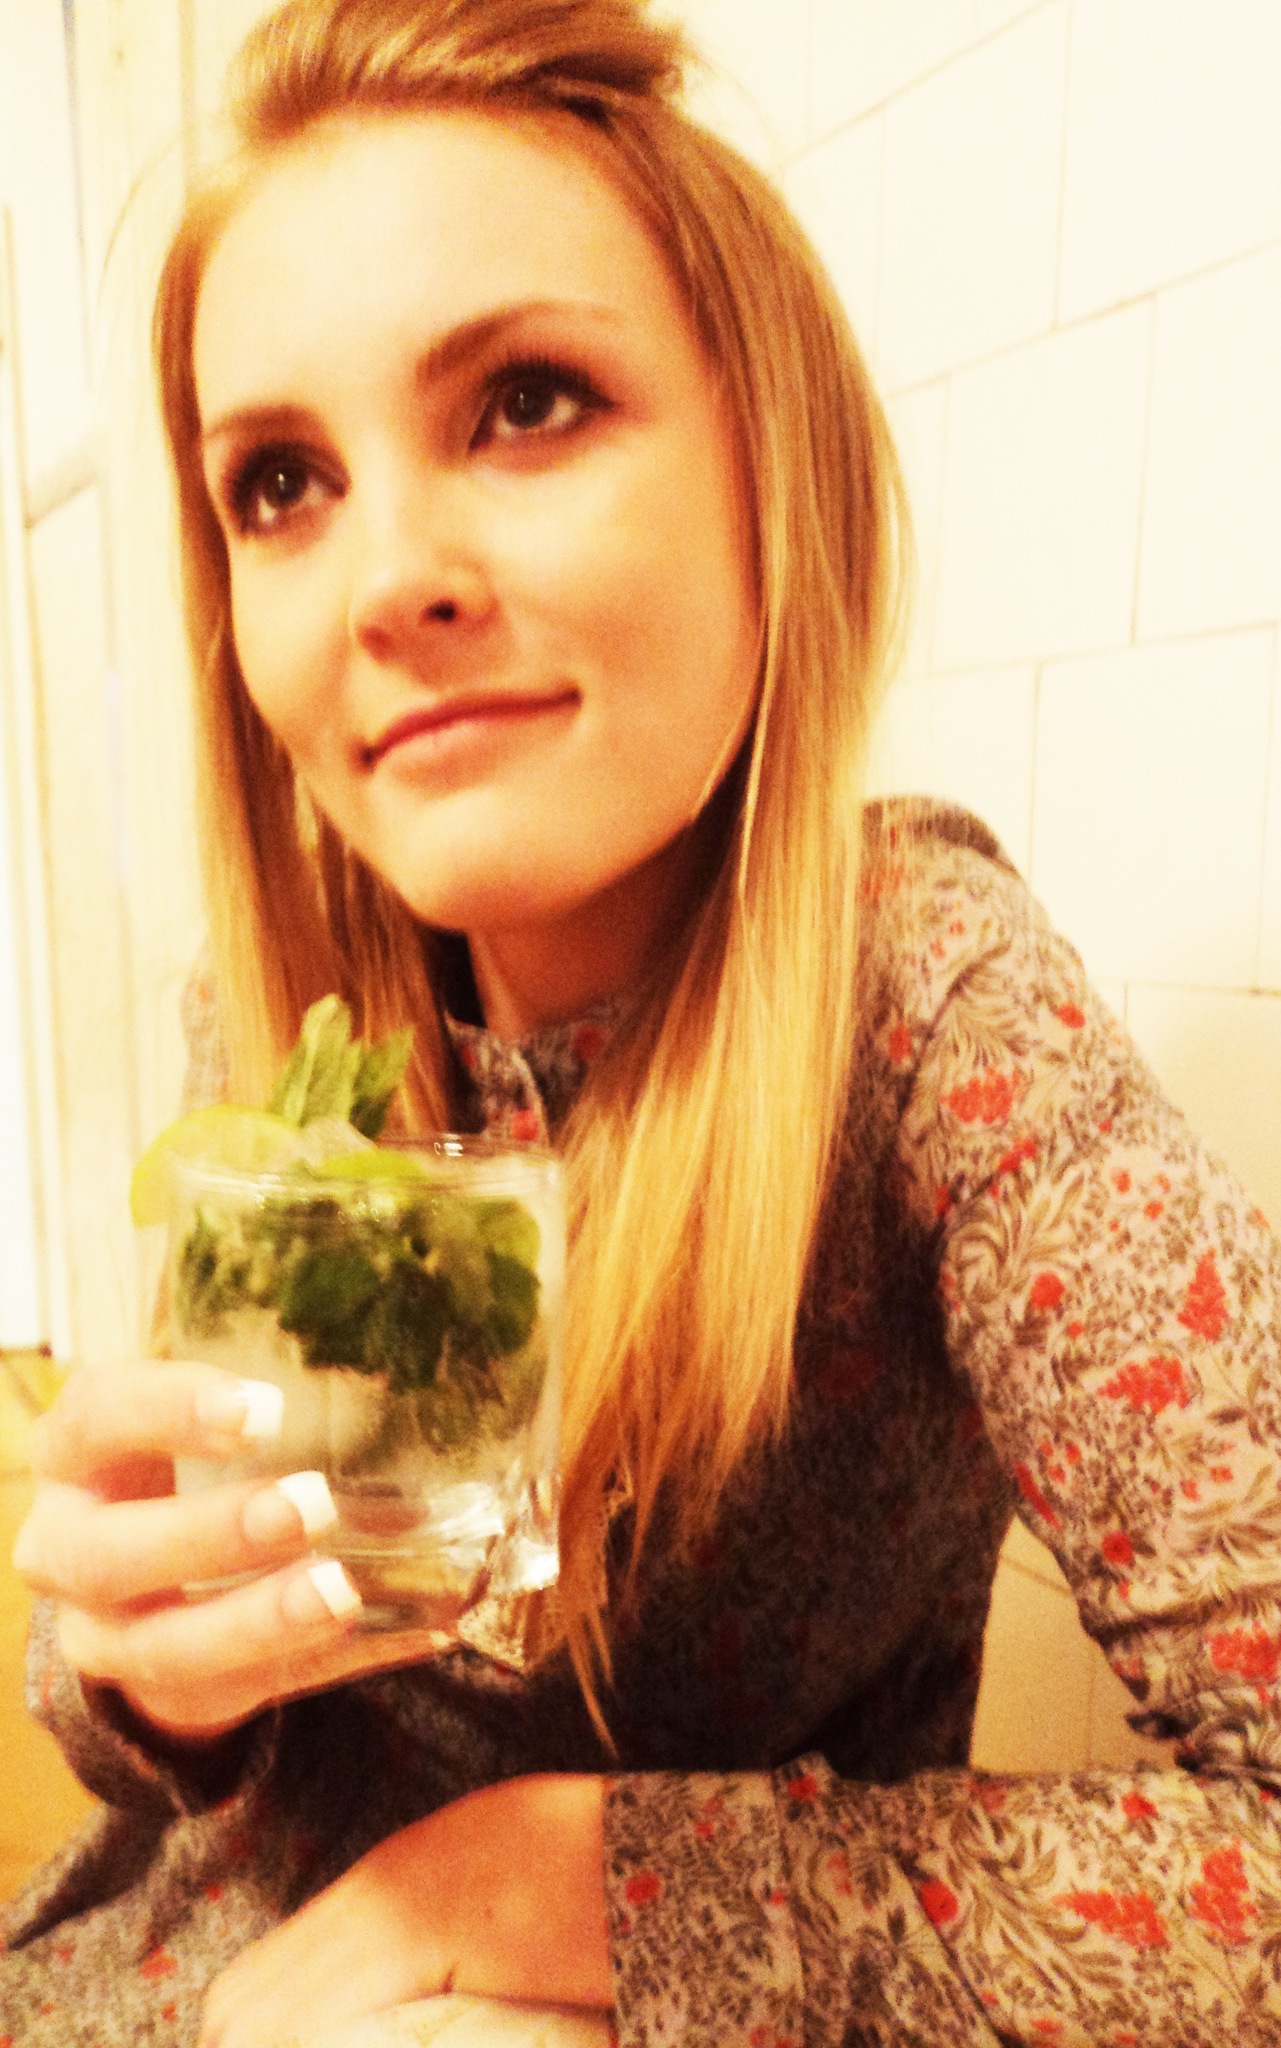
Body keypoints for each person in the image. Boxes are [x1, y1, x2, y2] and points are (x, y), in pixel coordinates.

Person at [4, 0, 1281, 2042]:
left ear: (773, 471)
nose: (385, 580)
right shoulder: (286, 1031)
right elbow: (165, 1722)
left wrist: (552, 1876)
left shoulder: (921, 1010)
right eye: (282, 481)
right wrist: (134, 1668)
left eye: (525, 401)